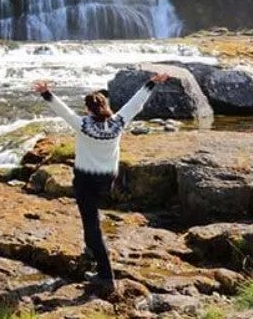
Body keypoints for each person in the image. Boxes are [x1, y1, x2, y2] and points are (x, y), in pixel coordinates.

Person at [30, 72, 169, 296]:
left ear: (88, 109)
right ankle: (90, 251)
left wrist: (46, 93)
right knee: (90, 218)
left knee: (91, 223)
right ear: (106, 106)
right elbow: (136, 102)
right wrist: (151, 83)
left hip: (85, 180)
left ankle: (106, 275)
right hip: (108, 180)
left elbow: (62, 110)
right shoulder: (118, 123)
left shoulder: (83, 125)